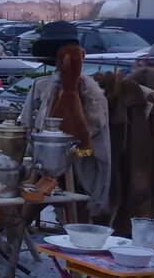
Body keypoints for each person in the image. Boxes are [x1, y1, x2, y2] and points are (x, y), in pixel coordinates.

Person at [20, 21, 112, 216]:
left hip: (66, 160)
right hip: (53, 158)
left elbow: (27, 125)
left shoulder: (87, 92)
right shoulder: (44, 86)